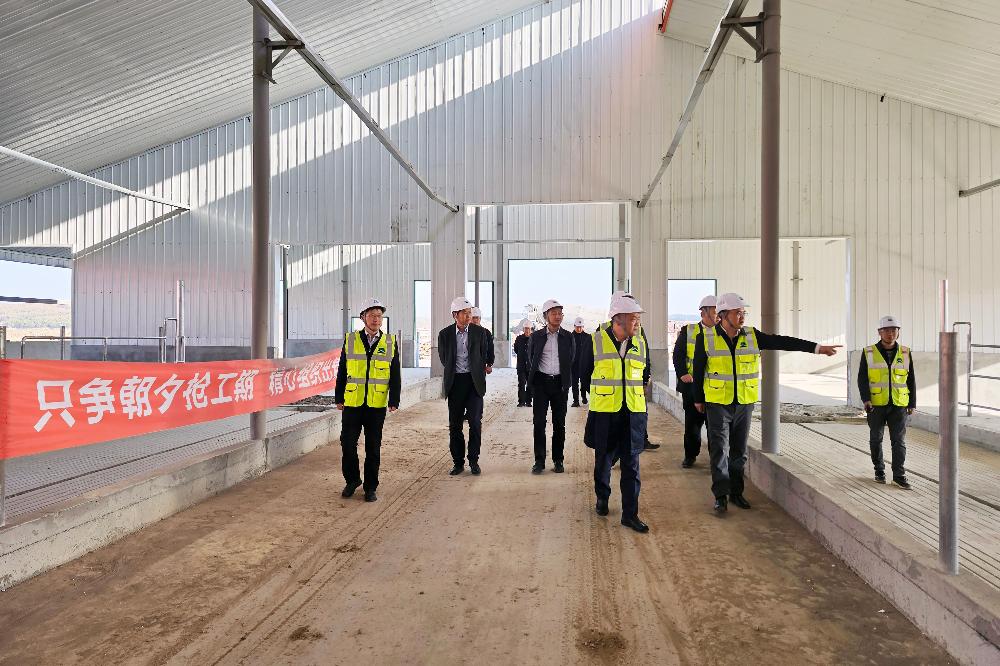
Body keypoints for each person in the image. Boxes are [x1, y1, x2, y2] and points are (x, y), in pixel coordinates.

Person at [692, 293, 841, 513]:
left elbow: (782, 341)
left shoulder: (752, 335)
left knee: (739, 451)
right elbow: (698, 370)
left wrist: (817, 348)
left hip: (744, 403)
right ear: (723, 315)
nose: (742, 316)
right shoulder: (706, 338)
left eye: (743, 312)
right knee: (719, 450)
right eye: (737, 312)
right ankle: (721, 496)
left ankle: (736, 493)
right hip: (717, 404)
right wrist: (698, 399)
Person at [583, 294, 650, 533]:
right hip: (605, 413)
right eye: (633, 318)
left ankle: (630, 515)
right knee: (603, 459)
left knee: (632, 465)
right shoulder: (595, 341)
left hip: (632, 412)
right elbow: (584, 373)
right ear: (618, 319)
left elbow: (645, 372)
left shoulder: (640, 342)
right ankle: (602, 497)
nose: (637, 323)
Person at [335, 298, 401, 502]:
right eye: (372, 315)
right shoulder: (351, 339)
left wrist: (394, 399)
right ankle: (352, 480)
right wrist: (339, 397)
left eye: (379, 316)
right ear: (363, 317)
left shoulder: (389, 342)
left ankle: (371, 487)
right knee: (347, 444)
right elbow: (342, 370)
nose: (376, 319)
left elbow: (395, 373)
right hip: (352, 402)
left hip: (376, 404)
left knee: (373, 447)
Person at [595, 292, 658, 451]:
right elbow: (588, 369)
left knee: (639, 416)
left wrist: (645, 381)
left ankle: (642, 439)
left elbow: (645, 357)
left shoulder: (638, 330)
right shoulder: (601, 331)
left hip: (633, 388)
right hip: (610, 396)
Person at [438, 296, 493, 476]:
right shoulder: (444, 334)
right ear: (455, 315)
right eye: (464, 313)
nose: (468, 316)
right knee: (455, 425)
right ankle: (458, 462)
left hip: (474, 382)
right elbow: (444, 359)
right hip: (455, 383)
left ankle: (474, 460)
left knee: (475, 422)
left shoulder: (480, 332)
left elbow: (483, 354)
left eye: (470, 313)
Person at [859, 315, 915, 489]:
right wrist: (866, 399)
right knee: (876, 439)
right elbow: (862, 379)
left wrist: (912, 403)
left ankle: (899, 475)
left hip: (899, 404)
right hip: (876, 404)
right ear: (880, 332)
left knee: (899, 441)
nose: (891, 334)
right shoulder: (868, 352)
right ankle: (879, 471)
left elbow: (911, 379)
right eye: (887, 330)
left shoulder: (905, 352)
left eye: (894, 330)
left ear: (898, 332)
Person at [528, 300, 575, 473]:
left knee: (559, 424)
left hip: (560, 385)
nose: (557, 316)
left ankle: (558, 460)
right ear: (545, 316)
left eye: (560, 313)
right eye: (554, 313)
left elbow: (571, 358)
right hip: (541, 383)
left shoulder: (568, 337)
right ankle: (539, 461)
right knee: (539, 423)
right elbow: (531, 358)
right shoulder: (536, 336)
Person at [672, 295, 718, 468]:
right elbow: (678, 354)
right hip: (692, 387)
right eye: (715, 312)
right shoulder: (689, 330)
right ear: (703, 312)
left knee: (715, 427)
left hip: (715, 388)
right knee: (693, 425)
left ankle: (717, 459)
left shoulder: (722, 332)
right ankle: (690, 455)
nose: (718, 316)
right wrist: (682, 373)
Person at [570, 316, 592, 407]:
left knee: (584, 382)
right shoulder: (570, 337)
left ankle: (584, 397)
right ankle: (576, 401)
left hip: (585, 364)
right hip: (574, 365)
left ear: (583, 327)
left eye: (580, 327)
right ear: (574, 326)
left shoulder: (588, 337)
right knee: (574, 383)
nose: (579, 329)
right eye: (577, 327)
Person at [513, 319, 533, 407]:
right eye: (526, 328)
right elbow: (516, 349)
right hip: (521, 366)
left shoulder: (534, 339)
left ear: (531, 329)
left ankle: (528, 401)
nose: (527, 330)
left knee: (530, 384)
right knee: (521, 384)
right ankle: (521, 401)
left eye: (528, 329)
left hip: (531, 366)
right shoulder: (519, 338)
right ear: (523, 329)